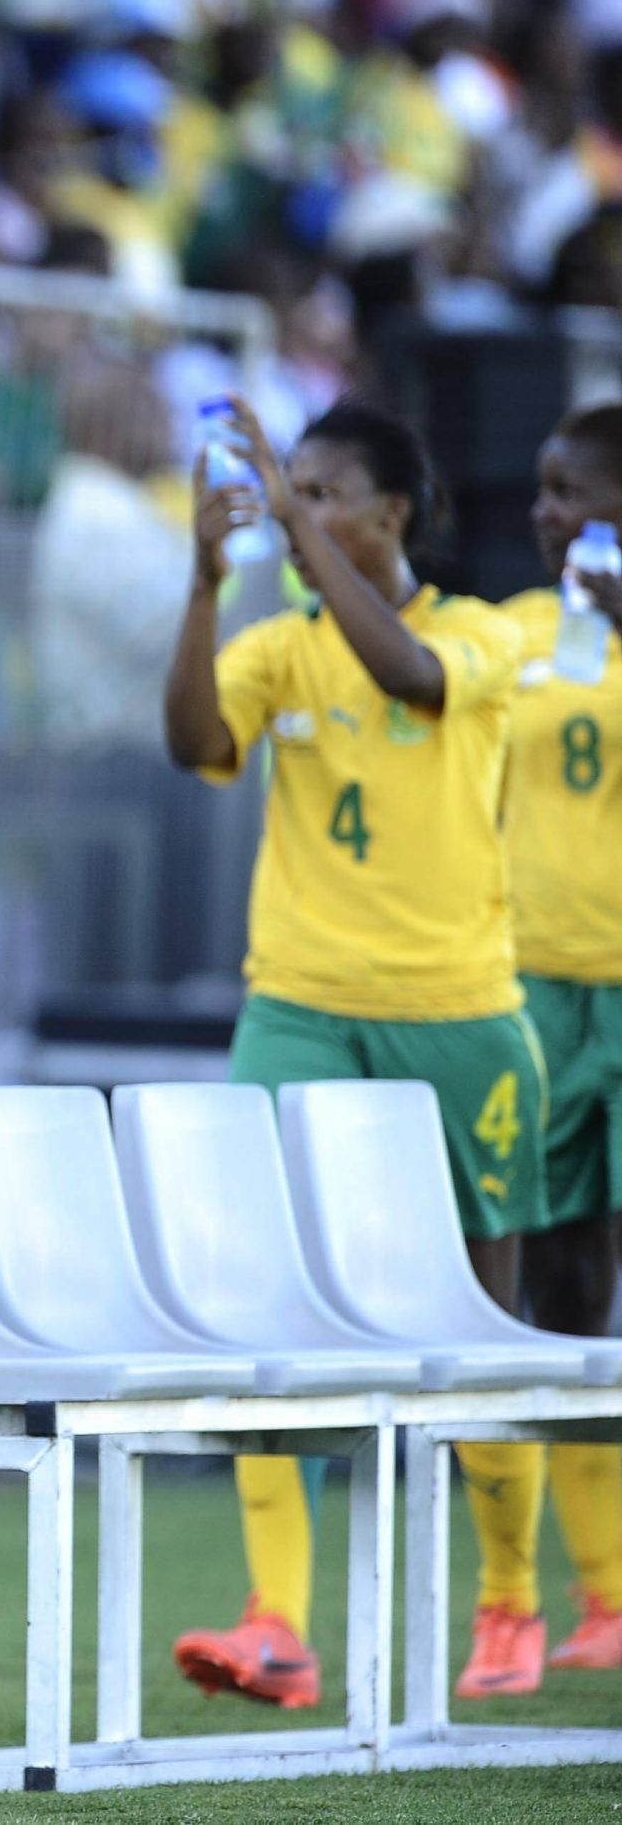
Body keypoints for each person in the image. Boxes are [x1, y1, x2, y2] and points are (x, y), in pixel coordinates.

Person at [163, 398, 548, 1710]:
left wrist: (290, 527)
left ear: (394, 511)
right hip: (301, 1006)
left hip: (461, 1015)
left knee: (484, 1320)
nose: (299, 509)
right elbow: (192, 744)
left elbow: (409, 676)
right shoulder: (279, 648)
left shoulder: (482, 633)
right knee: (271, 1303)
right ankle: (277, 1616)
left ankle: (510, 1603)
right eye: (294, 488)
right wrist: (207, 586)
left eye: (326, 491)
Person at [507, 403, 622, 1677]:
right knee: (561, 1285)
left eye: (570, 493)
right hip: (532, 993)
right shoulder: (515, 634)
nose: (544, 515)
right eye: (539, 492)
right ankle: (599, 1593)